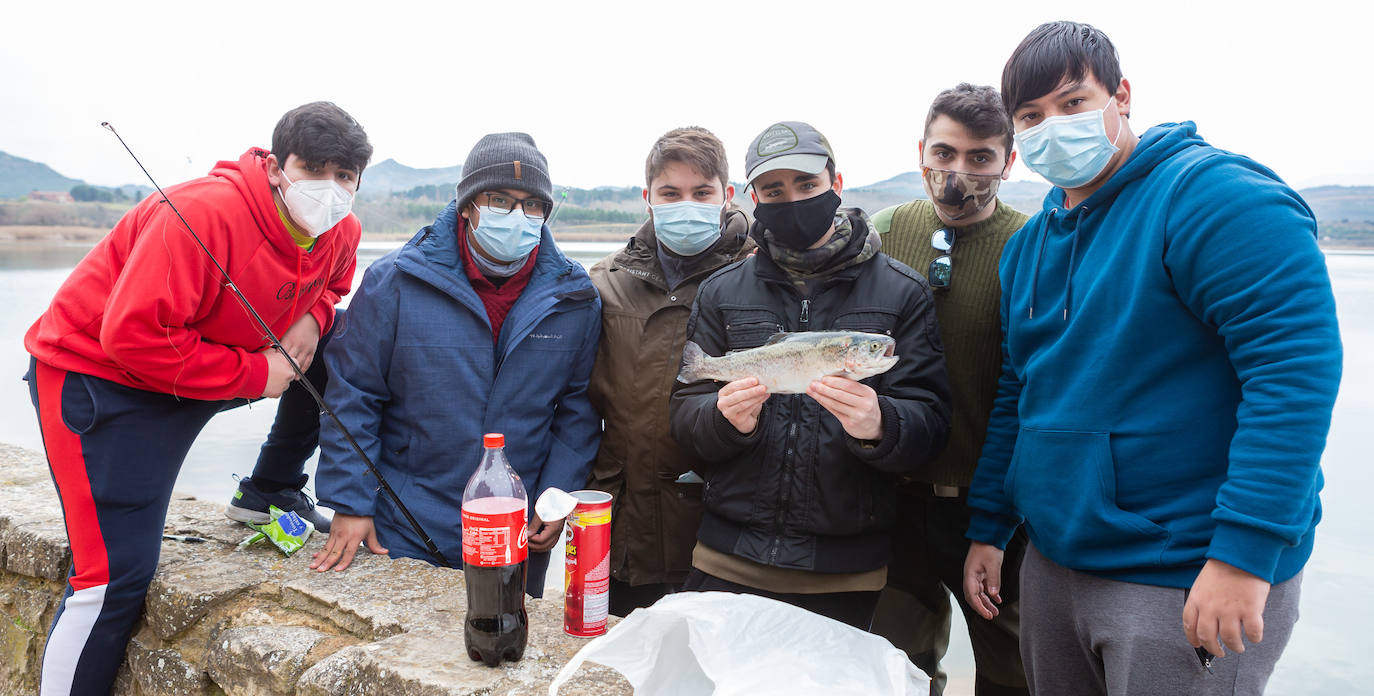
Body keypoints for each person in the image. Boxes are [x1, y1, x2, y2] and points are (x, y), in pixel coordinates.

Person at [961, 21, 1343, 695]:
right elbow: (1021, 394)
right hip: (1056, 563)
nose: (1053, 125)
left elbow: (1293, 374)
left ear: (1122, 96)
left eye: (1073, 103)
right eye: (1032, 116)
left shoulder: (1212, 197)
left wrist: (1244, 555)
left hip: (1186, 572)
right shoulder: (1027, 248)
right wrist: (991, 528)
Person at [24, 101, 372, 695]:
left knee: (346, 341)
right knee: (114, 578)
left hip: (208, 368)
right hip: (102, 383)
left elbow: (334, 286)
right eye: (316, 169)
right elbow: (131, 336)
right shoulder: (202, 214)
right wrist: (253, 374)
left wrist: (313, 318)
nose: (332, 189)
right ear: (276, 166)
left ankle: (269, 490)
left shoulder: (342, 231)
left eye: (346, 177)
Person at [669, 121, 952, 629]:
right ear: (754, 198)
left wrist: (880, 424)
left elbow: (931, 423)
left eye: (806, 185)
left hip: (849, 572)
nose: (792, 200)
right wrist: (722, 419)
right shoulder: (720, 291)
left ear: (836, 184)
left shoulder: (903, 293)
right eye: (774, 190)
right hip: (726, 557)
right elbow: (684, 417)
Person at [309, 133, 602, 599]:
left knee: (505, 653)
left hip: (518, 527)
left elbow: (578, 410)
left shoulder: (574, 298)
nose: (517, 216)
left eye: (533, 206)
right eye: (500, 200)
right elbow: (354, 395)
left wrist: (555, 496)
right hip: (404, 522)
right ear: (467, 204)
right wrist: (350, 501)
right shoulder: (395, 282)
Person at [869, 84, 1030, 696]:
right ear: (921, 152)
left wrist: (998, 520)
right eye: (944, 154)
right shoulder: (885, 232)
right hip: (895, 497)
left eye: (980, 158)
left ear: (1007, 163)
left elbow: (1035, 389)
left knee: (1013, 670)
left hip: (996, 509)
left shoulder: (1034, 244)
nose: (958, 173)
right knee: (899, 669)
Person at [586, 126, 754, 617]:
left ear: (726, 195)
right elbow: (578, 406)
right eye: (671, 193)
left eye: (701, 193)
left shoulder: (756, 278)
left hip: (719, 530)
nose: (687, 204)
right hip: (622, 530)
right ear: (648, 199)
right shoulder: (606, 284)